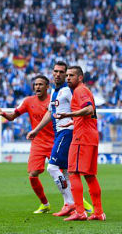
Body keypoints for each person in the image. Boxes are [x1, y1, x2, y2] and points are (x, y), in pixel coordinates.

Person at [27, 62, 93, 216]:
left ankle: (70, 203)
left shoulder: (69, 91)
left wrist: (72, 122)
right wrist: (36, 130)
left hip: (67, 132)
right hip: (60, 133)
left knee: (52, 167)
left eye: (62, 72)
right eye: (55, 71)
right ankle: (70, 204)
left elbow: (80, 108)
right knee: (65, 171)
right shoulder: (56, 92)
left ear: (66, 75)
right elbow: (50, 113)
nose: (58, 74)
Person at [0, 75, 54, 214]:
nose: (37, 87)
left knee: (63, 174)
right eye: (35, 84)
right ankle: (45, 204)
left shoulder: (53, 100)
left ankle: (76, 203)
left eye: (40, 84)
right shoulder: (28, 101)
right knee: (32, 174)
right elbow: (13, 116)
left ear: (47, 87)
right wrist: (3, 114)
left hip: (55, 142)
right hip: (37, 143)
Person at [55, 66, 105, 221]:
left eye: (72, 75)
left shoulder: (80, 91)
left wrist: (68, 114)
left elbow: (89, 109)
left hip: (82, 137)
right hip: (90, 135)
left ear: (80, 77)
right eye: (67, 75)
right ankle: (98, 212)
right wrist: (71, 121)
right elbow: (85, 114)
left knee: (73, 172)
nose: (68, 78)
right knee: (90, 175)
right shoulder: (83, 90)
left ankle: (80, 211)